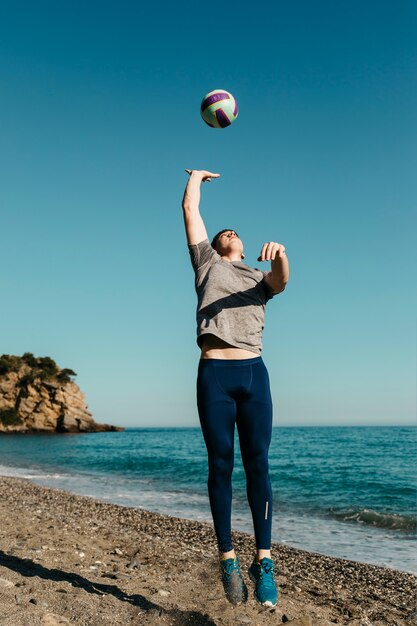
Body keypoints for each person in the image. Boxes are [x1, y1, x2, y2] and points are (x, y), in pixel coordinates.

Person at [182, 169, 290, 608]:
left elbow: (282, 280)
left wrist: (281, 253)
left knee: (259, 464)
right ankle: (228, 557)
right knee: (221, 464)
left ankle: (263, 561)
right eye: (223, 230)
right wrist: (195, 178)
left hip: (253, 375)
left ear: (244, 248)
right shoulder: (205, 263)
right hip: (214, 376)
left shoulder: (258, 279)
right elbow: (191, 210)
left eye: (235, 232)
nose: (228, 232)